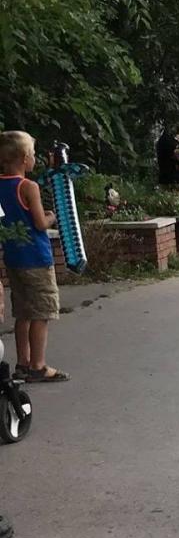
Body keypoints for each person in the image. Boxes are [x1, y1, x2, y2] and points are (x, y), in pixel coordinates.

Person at [0, 131, 68, 382]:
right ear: (23, 158)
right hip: (37, 258)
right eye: (33, 154)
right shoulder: (28, 186)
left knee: (23, 313)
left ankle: (22, 363)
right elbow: (40, 223)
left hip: (14, 258)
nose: (35, 159)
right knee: (41, 312)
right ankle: (39, 366)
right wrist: (53, 216)